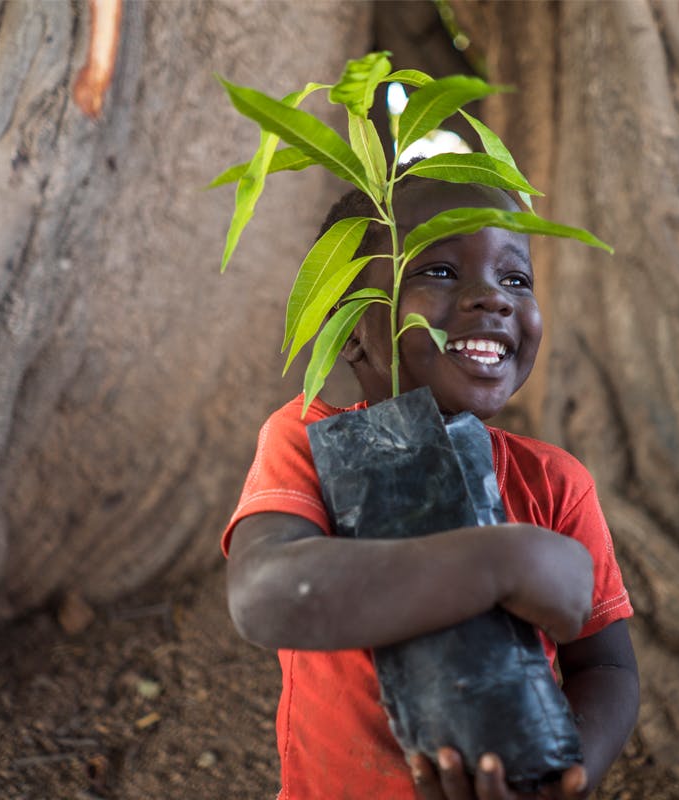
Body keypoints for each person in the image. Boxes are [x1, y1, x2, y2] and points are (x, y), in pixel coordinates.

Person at [221, 177, 639, 800]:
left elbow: (605, 666)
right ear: (351, 325)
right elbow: (266, 594)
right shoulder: (308, 441)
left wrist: (564, 775)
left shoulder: (554, 484)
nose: (492, 298)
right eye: (440, 270)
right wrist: (500, 563)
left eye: (516, 279)